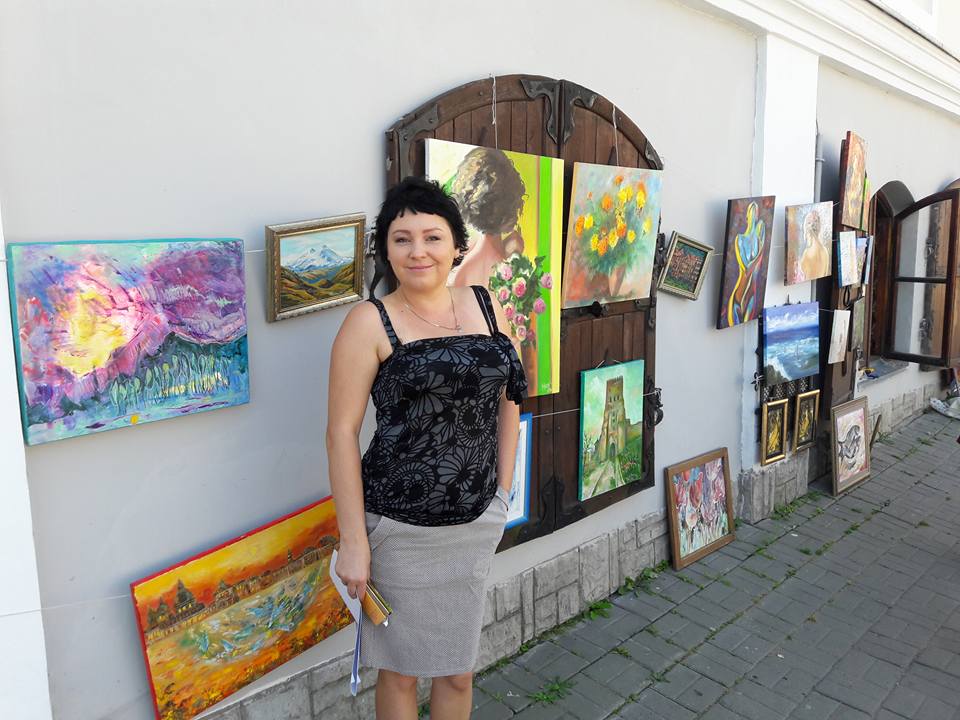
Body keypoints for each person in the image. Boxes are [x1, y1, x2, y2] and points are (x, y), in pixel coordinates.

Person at [326, 176, 526, 720]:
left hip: (474, 521)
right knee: (400, 672)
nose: (418, 251)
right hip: (399, 530)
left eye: (432, 237)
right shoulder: (369, 321)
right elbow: (340, 433)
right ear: (385, 250)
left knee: (458, 672)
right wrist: (354, 542)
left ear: (457, 244)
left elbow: (511, 395)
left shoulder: (486, 305)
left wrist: (502, 492)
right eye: (402, 239)